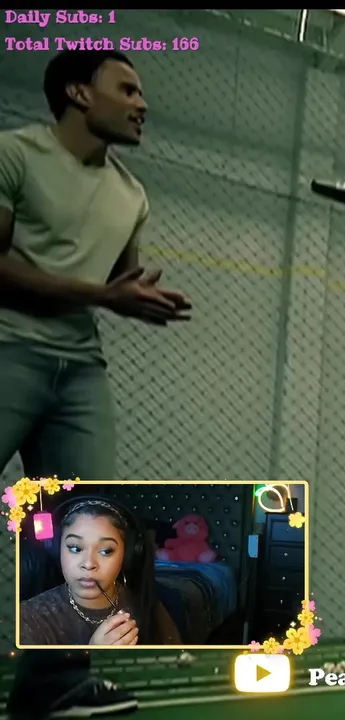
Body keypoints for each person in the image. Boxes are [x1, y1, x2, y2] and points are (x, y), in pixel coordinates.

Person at [1, 49, 191, 719]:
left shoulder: (131, 195)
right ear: (80, 93)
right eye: (128, 89)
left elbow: (118, 284)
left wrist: (137, 298)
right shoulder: (15, 155)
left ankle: (51, 686)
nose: (143, 103)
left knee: (84, 527)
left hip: (79, 369)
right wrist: (103, 296)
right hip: (7, 348)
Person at [20, 496, 182, 646]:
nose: (89, 564)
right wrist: (92, 654)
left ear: (126, 555)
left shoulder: (148, 607)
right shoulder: (27, 618)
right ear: (58, 550)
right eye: (75, 548)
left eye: (106, 551)